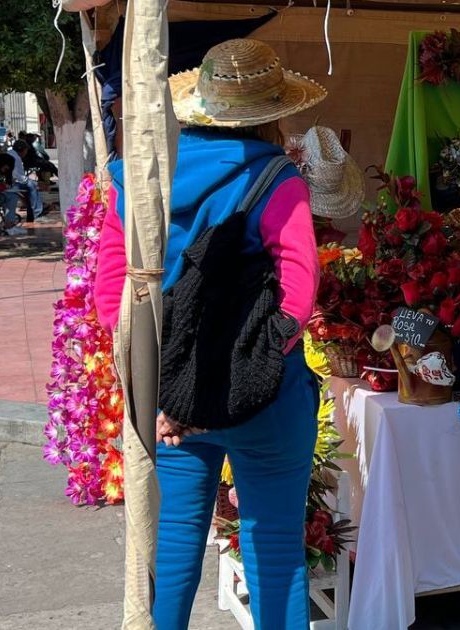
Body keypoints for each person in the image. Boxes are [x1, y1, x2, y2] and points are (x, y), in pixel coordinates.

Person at [93, 39, 326, 629]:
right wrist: (246, 372)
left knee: (169, 550)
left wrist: (166, 389)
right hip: (267, 401)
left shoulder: (138, 180)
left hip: (170, 400)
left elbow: (110, 297)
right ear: (272, 111)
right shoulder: (276, 178)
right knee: (274, 552)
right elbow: (298, 292)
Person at [6, 140, 43, 221]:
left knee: (30, 185)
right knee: (33, 185)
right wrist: (28, 180)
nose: (26, 152)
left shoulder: (10, 153)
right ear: (22, 150)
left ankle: (32, 211)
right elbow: (18, 176)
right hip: (12, 182)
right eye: (26, 150)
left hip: (11, 181)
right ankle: (36, 212)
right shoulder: (16, 158)